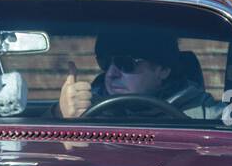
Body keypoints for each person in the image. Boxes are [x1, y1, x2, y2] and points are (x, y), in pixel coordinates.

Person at [58, 31, 221, 119]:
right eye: (106, 63)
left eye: (126, 64)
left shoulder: (204, 114)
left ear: (163, 70)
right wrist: (62, 115)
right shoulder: (83, 107)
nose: (111, 74)